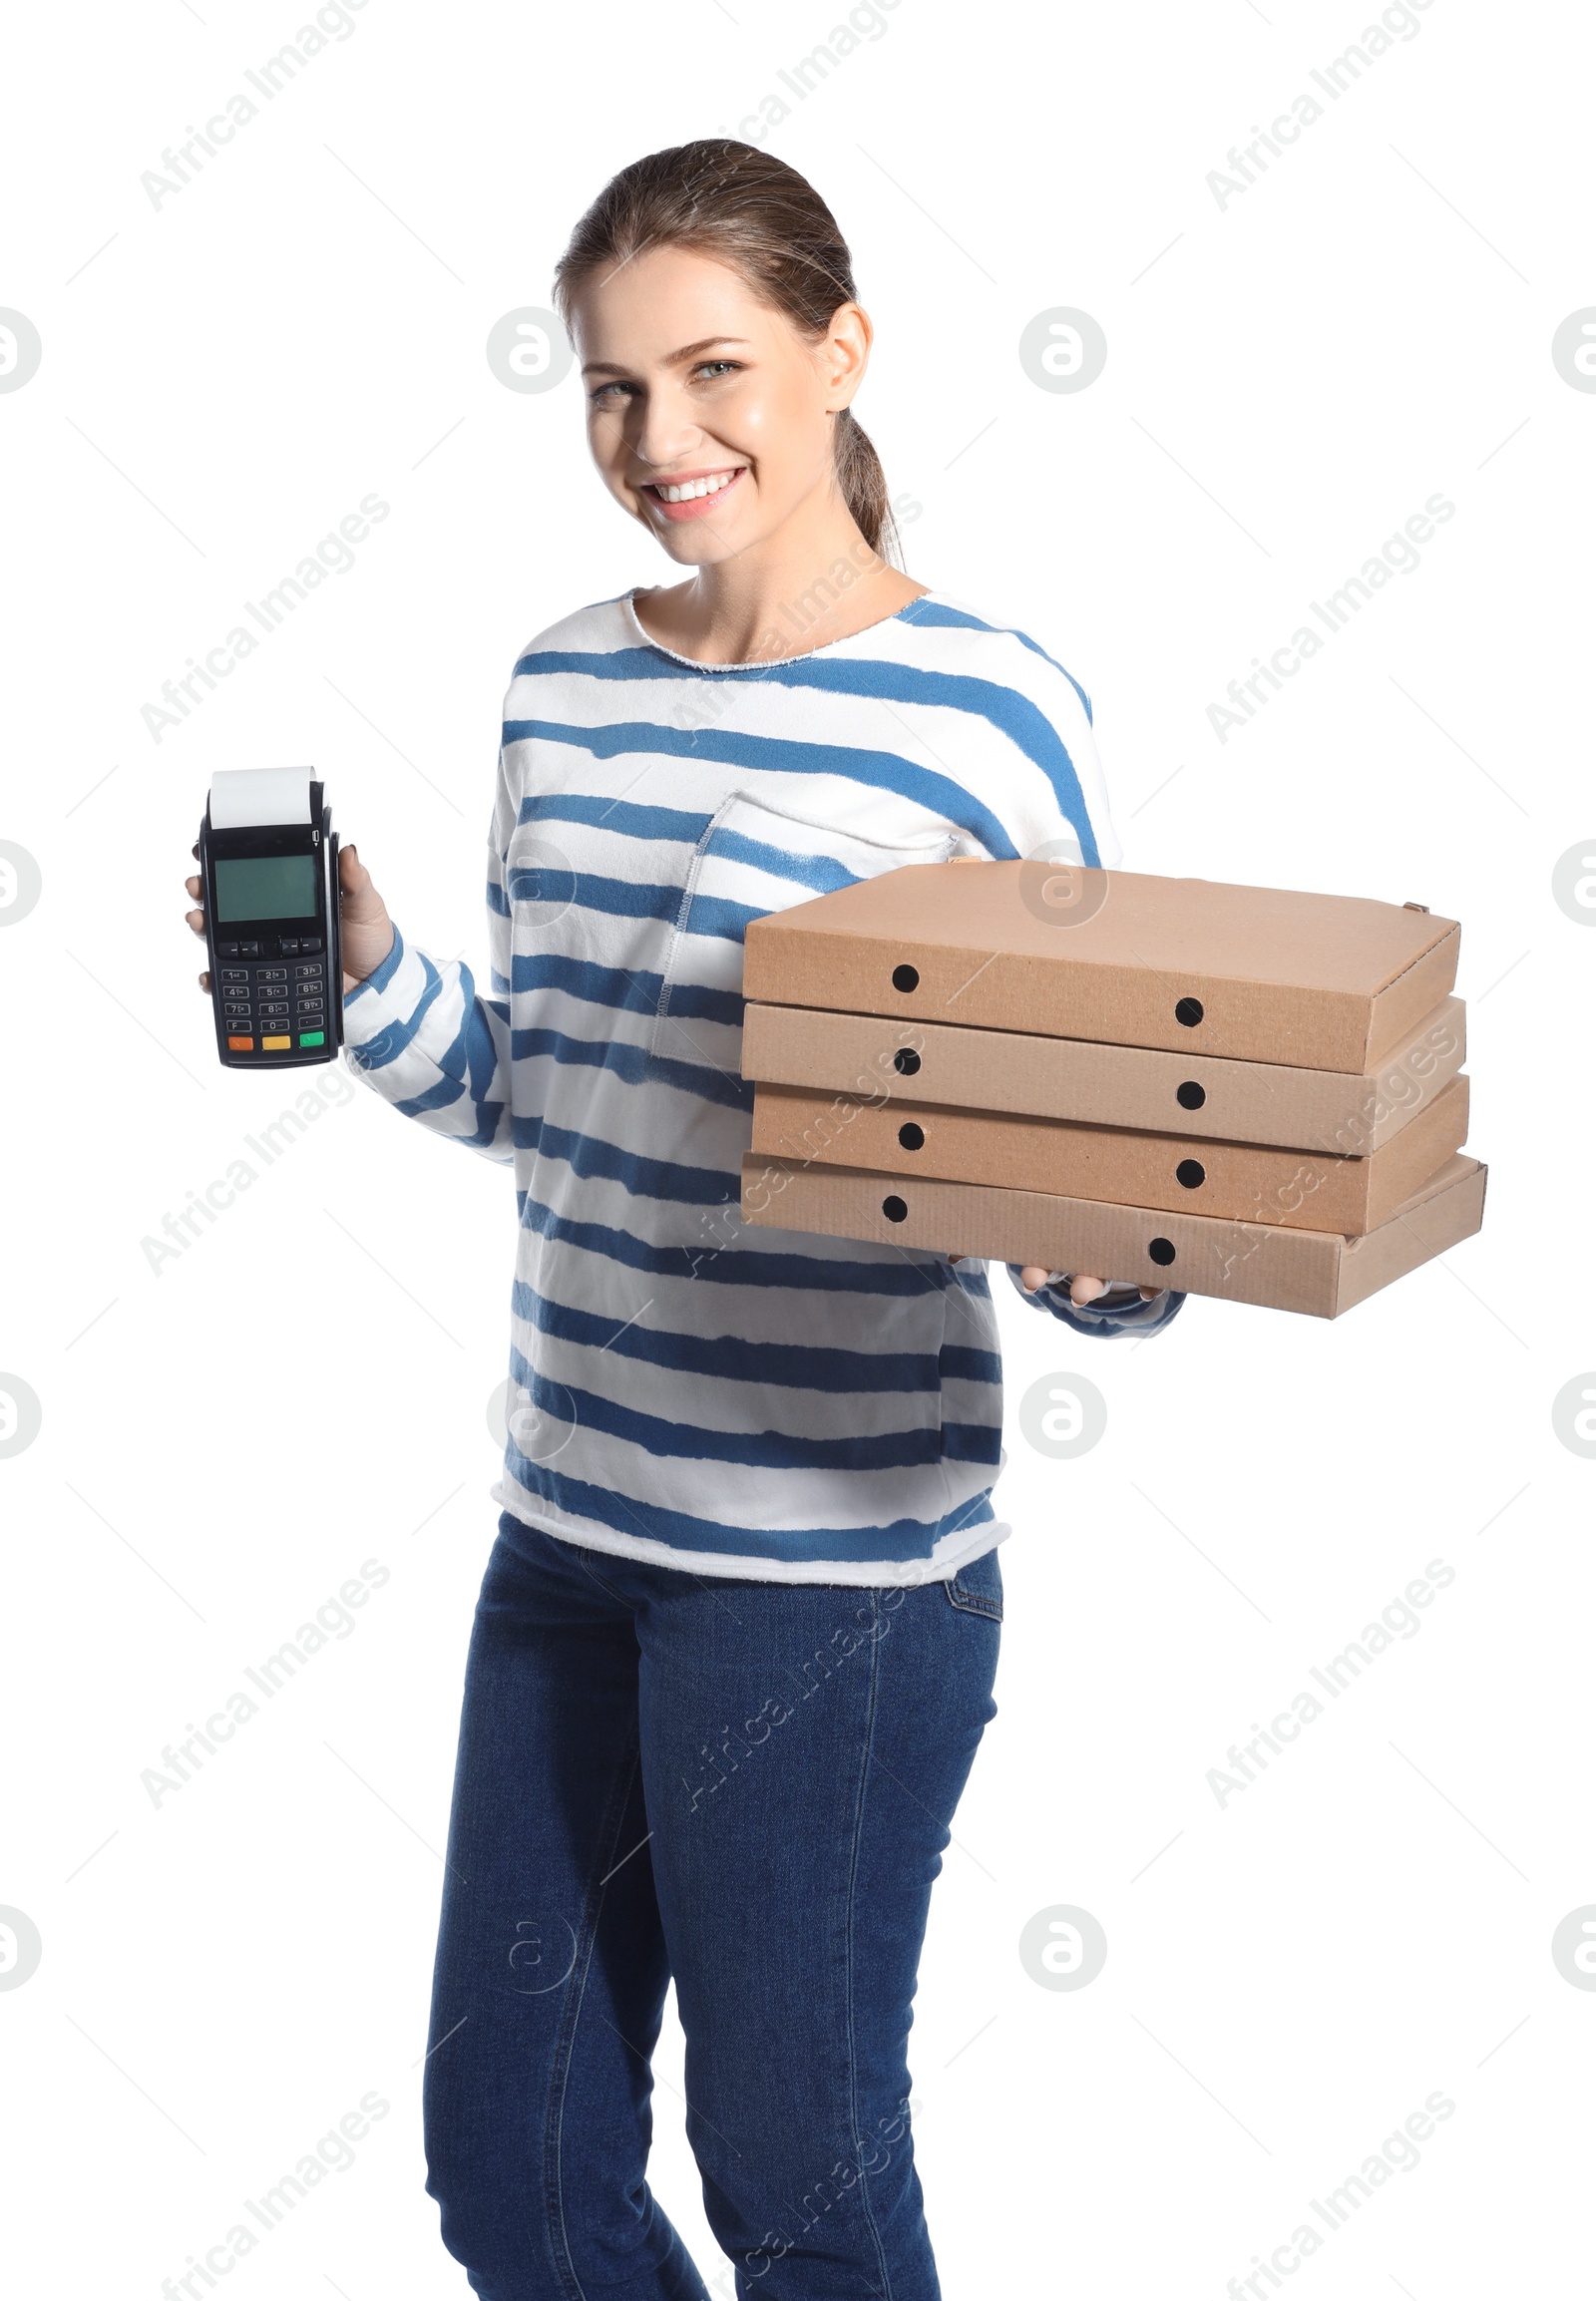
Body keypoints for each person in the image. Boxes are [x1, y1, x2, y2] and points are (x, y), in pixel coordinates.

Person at [186, 138, 1184, 2301]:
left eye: (713, 366)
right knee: (508, 2164)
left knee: (793, 2182)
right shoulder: (561, 683)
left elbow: (1101, 1176)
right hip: (566, 1536)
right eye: (612, 388)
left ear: (839, 352)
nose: (661, 438)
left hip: (824, 1584)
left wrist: (1109, 1260)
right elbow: (548, 1096)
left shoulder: (986, 712)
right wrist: (364, 979)